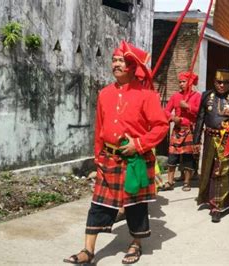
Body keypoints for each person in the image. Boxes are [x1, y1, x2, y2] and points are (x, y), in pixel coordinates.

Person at [64, 41, 169, 265]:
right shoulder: (104, 94)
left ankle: (135, 244)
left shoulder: (147, 95)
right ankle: (88, 250)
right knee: (99, 205)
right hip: (109, 159)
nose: (116, 64)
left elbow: (161, 127)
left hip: (135, 160)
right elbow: (99, 129)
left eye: (121, 60)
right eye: (114, 60)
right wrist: (98, 158)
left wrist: (139, 144)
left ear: (132, 65)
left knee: (135, 206)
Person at [193, 69, 229, 223]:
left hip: (227, 139)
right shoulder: (206, 95)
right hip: (210, 138)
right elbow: (200, 119)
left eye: (225, 82)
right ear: (214, 81)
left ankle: (217, 206)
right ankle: (206, 198)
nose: (222, 85)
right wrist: (196, 141)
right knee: (208, 169)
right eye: (219, 82)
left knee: (221, 171)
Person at [161, 71, 201, 192]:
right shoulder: (175, 96)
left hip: (190, 130)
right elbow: (166, 111)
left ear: (190, 83)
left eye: (183, 82)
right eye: (180, 82)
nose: (181, 84)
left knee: (188, 157)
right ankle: (169, 181)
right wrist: (173, 118)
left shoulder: (197, 96)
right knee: (172, 157)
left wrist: (188, 107)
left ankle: (186, 182)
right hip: (177, 130)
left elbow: (200, 112)